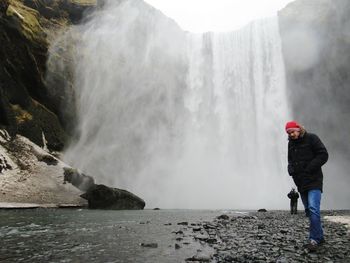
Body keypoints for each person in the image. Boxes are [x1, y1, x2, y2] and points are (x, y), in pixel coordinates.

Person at [285, 121, 328, 252]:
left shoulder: (312, 138)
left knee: (313, 208)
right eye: (288, 133)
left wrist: (309, 168)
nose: (291, 134)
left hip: (314, 180)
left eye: (292, 131)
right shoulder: (291, 144)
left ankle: (313, 240)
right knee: (309, 211)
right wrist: (290, 169)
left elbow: (323, 155)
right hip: (301, 182)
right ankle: (319, 236)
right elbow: (290, 160)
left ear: (298, 129)